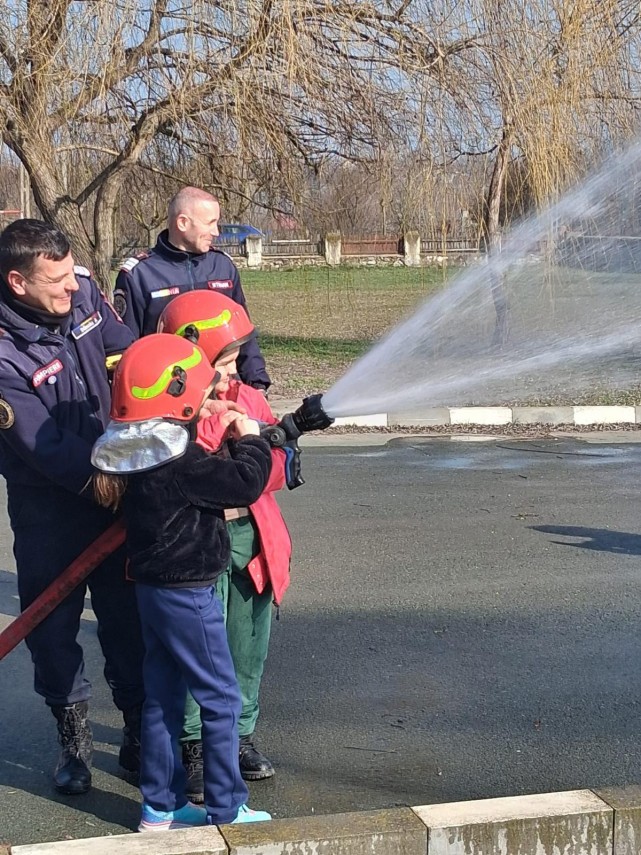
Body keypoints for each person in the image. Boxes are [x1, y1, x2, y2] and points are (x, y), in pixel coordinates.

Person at [91, 334, 273, 830]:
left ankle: (161, 806)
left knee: (164, 696)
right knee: (221, 697)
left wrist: (211, 405)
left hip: (153, 592)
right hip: (190, 595)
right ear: (176, 396)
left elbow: (180, 415)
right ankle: (227, 807)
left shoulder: (140, 450)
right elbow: (245, 483)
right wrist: (249, 436)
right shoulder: (183, 463)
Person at [0, 219, 145, 795]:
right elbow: (41, 446)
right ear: (17, 282)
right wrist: (104, 482)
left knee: (129, 619)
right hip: (50, 511)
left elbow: (127, 354)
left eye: (70, 274)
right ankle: (74, 740)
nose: (71, 289)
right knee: (53, 631)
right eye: (55, 281)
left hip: (117, 492)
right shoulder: (4, 355)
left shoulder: (81, 292)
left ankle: (137, 733)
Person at [158, 291, 292, 796]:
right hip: (195, 542)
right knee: (199, 647)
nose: (235, 369)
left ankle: (239, 737)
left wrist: (258, 438)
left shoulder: (249, 398)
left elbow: (277, 472)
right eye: (226, 357)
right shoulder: (167, 405)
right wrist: (228, 435)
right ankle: (194, 746)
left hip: (252, 538)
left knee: (246, 643)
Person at [114, 186, 270, 393]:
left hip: (224, 390)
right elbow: (128, 350)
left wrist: (257, 384)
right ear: (183, 223)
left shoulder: (223, 266)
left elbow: (242, 333)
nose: (216, 232)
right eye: (210, 223)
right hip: (170, 395)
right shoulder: (140, 274)